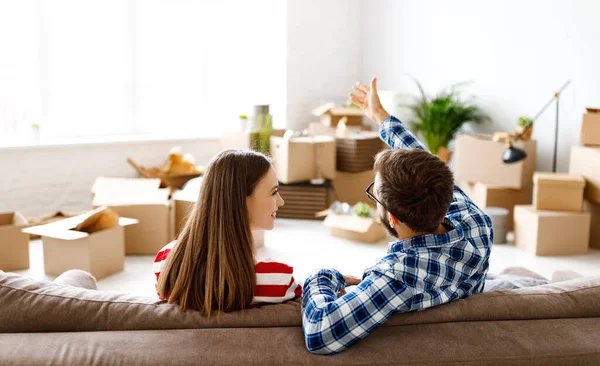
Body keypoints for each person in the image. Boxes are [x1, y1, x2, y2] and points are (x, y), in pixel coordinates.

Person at [301, 77, 494, 354]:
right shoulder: (476, 222)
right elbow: (423, 162)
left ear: (392, 218)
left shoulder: (396, 276)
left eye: (374, 193)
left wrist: (325, 276)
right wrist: (380, 116)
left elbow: (321, 333)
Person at [154, 149, 301, 316]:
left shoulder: (163, 263)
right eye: (274, 192)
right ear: (240, 199)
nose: (280, 201)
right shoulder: (277, 279)